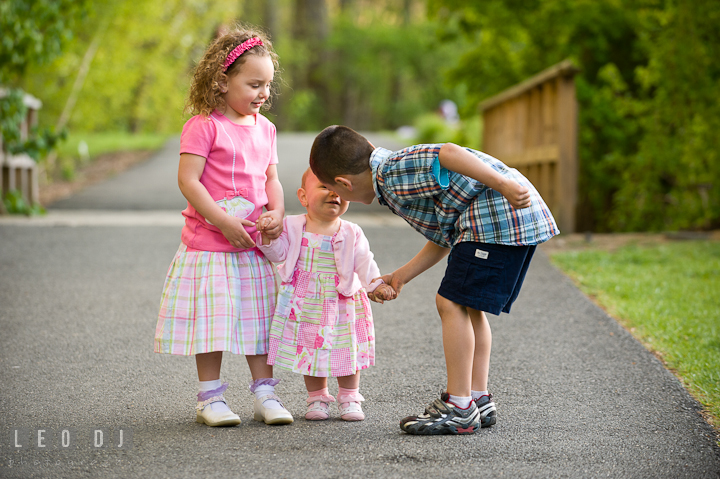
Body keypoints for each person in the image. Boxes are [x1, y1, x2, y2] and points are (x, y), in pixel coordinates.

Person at [309, 125, 559, 435]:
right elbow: (445, 234)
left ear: (343, 183)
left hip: (495, 218)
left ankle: (460, 406)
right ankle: (477, 398)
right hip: (494, 221)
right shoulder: (391, 180)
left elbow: (449, 152)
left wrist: (502, 184)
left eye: (335, 190)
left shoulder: (393, 172)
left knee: (450, 302)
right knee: (469, 306)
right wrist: (402, 276)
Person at [154, 26, 293, 427]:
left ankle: (265, 393)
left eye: (267, 85)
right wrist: (222, 221)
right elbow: (188, 180)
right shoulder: (204, 126)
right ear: (222, 80)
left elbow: (271, 179)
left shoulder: (265, 129)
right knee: (213, 323)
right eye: (253, 84)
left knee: (260, 320)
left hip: (251, 246)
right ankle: (210, 399)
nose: (263, 93)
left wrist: (277, 212)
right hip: (211, 245)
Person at [257, 168, 396, 421]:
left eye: (341, 189)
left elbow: (365, 263)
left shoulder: (351, 231)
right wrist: (268, 237)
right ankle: (317, 397)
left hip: (342, 301)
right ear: (303, 196)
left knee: (346, 349)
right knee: (310, 350)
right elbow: (278, 255)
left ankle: (349, 396)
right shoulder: (292, 225)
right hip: (305, 301)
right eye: (324, 187)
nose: (333, 193)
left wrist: (376, 285)